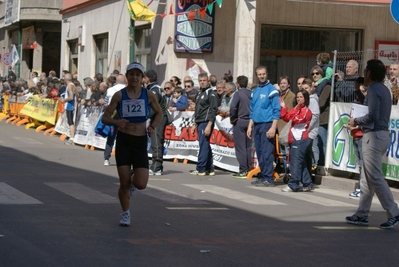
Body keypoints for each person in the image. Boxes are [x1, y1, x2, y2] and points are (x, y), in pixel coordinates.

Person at [102, 62, 163, 226]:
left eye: (138, 74)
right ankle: (125, 213)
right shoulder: (119, 95)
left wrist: (152, 127)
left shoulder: (149, 95)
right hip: (124, 140)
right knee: (123, 182)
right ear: (127, 76)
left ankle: (133, 183)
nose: (134, 77)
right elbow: (105, 117)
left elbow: (160, 113)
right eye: (131, 74)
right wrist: (116, 122)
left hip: (140, 141)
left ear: (142, 78)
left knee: (141, 184)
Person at [346, 59, 399, 229]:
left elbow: (372, 116)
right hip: (380, 135)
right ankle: (362, 213)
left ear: (369, 73)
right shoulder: (383, 89)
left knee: (374, 176)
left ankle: (394, 212)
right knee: (367, 178)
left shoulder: (375, 89)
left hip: (374, 136)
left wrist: (355, 121)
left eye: (366, 71)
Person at [247, 65, 280, 187]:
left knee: (267, 152)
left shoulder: (272, 90)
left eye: (263, 74)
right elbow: (252, 110)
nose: (261, 76)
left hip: (267, 124)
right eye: (259, 74)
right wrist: (250, 126)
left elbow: (276, 110)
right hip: (256, 125)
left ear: (267, 74)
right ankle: (263, 176)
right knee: (260, 152)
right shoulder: (254, 91)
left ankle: (269, 178)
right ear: (256, 76)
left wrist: (273, 127)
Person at [280, 90, 314, 192]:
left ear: (306, 99)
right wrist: (284, 107)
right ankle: (307, 183)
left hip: (301, 139)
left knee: (295, 162)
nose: (298, 99)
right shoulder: (297, 109)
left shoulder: (307, 111)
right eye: (297, 97)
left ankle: (293, 184)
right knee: (300, 162)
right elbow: (285, 117)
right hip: (294, 139)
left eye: (301, 97)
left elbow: (297, 119)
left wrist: (292, 112)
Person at [189, 73, 218, 176]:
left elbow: (213, 110)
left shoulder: (211, 94)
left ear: (208, 81)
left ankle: (200, 168)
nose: (202, 82)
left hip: (206, 122)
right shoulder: (199, 93)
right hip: (199, 121)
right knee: (205, 144)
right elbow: (198, 110)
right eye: (200, 80)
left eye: (204, 80)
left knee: (203, 145)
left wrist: (209, 125)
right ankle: (209, 168)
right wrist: (194, 124)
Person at [229, 75, 252, 178]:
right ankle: (248, 167)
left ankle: (243, 169)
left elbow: (233, 107)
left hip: (240, 120)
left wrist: (233, 117)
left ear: (238, 84)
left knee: (240, 147)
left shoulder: (238, 94)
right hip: (250, 122)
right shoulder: (251, 93)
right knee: (247, 146)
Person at [146, 69, 168, 176]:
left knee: (156, 142)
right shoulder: (157, 88)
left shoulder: (154, 90)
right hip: (158, 117)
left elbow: (154, 107)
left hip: (158, 118)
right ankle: (157, 166)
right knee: (156, 142)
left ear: (148, 78)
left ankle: (156, 167)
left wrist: (147, 117)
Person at [103, 74, 126, 166]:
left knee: (111, 137)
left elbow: (106, 102)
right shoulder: (128, 90)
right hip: (124, 116)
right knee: (123, 138)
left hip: (112, 116)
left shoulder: (110, 90)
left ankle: (106, 158)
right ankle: (123, 158)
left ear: (116, 81)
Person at [312, 65, 331, 167]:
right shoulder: (314, 87)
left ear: (322, 75)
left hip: (323, 119)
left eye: (317, 73)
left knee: (322, 143)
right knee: (314, 145)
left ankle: (322, 165)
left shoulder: (326, 86)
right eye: (313, 74)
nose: (315, 75)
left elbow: (321, 103)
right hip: (314, 119)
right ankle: (316, 163)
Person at [276, 76, 295, 175]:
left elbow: (291, 112)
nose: (282, 85)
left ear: (289, 85)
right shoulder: (279, 95)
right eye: (281, 83)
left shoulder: (291, 96)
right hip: (278, 126)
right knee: (283, 152)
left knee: (287, 152)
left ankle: (289, 172)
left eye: (284, 83)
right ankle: (285, 171)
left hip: (286, 126)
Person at [301, 78, 320, 174]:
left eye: (306, 88)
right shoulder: (304, 100)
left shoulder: (312, 100)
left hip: (309, 132)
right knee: (305, 154)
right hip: (303, 131)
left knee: (306, 154)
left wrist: (308, 128)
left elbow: (315, 115)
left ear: (311, 88)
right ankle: (306, 177)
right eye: (303, 88)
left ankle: (308, 176)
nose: (305, 90)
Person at [59, 73, 76, 145]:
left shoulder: (70, 86)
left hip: (70, 105)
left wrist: (64, 100)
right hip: (70, 105)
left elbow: (71, 97)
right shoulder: (72, 85)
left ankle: (72, 138)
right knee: (70, 121)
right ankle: (71, 136)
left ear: (66, 79)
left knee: (70, 121)